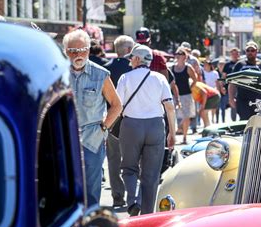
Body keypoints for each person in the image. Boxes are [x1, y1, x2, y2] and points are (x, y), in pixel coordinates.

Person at [63, 29, 122, 207]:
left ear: (89, 50)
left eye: (83, 50)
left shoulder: (100, 74)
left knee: (91, 191)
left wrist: (103, 129)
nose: (78, 54)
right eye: (73, 51)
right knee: (66, 189)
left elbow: (117, 105)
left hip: (92, 140)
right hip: (64, 140)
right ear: (66, 51)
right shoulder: (59, 73)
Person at [116, 45, 176, 215]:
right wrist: (172, 132)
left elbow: (118, 106)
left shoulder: (125, 78)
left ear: (136, 59)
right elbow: (169, 107)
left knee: (129, 168)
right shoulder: (160, 78)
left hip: (131, 126)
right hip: (156, 126)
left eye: (131, 58)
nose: (129, 61)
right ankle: (147, 214)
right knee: (151, 174)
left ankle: (134, 200)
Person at [103, 35, 134, 208]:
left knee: (113, 159)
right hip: (132, 118)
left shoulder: (104, 69)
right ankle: (133, 195)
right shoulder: (134, 70)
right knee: (133, 158)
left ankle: (117, 195)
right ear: (129, 50)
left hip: (111, 119)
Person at [228, 41, 261, 120]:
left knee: (258, 123)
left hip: (259, 100)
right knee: (245, 122)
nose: (250, 52)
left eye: (252, 50)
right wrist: (231, 98)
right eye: (248, 50)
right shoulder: (239, 65)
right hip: (242, 100)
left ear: (257, 51)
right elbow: (232, 83)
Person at [172, 46, 198, 144]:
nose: (178, 55)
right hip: (175, 95)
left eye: (180, 54)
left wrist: (190, 87)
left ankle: (184, 137)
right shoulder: (172, 67)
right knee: (173, 115)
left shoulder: (188, 67)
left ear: (184, 56)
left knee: (186, 115)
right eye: (177, 54)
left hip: (186, 94)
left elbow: (195, 79)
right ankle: (174, 136)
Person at [223, 47, 240, 121]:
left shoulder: (241, 63)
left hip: (240, 86)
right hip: (230, 87)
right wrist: (222, 86)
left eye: (236, 53)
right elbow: (224, 76)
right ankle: (233, 121)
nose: (234, 55)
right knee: (232, 103)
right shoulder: (227, 65)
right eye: (233, 54)